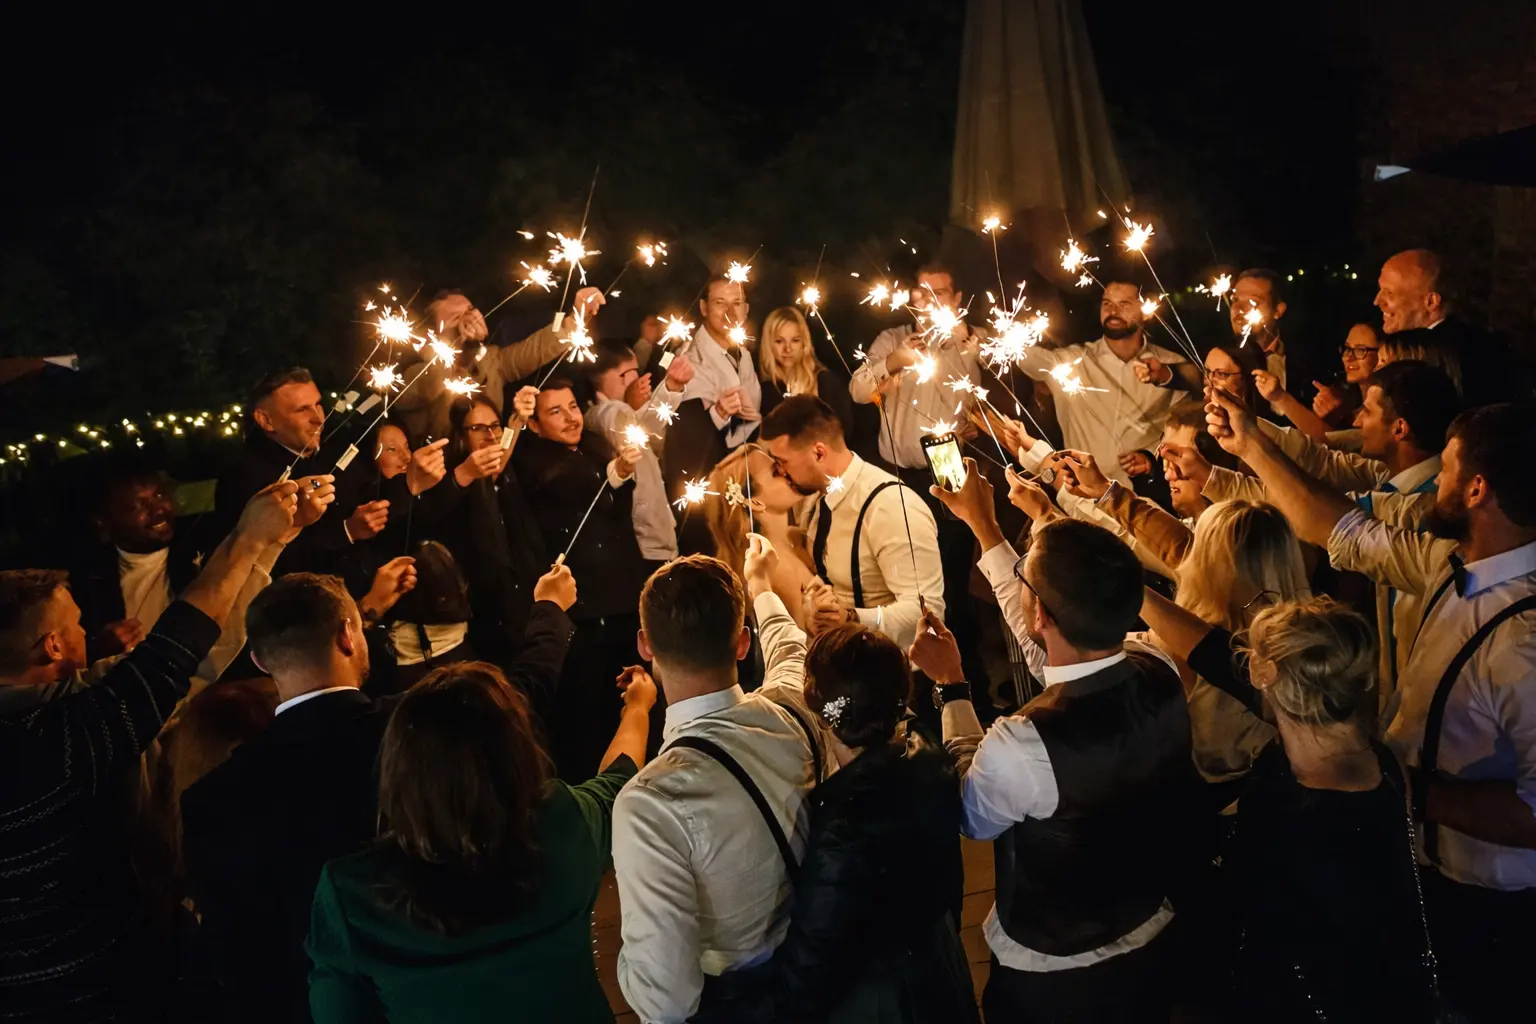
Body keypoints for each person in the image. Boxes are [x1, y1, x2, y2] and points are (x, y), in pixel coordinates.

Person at [1204, 394, 1536, 1023]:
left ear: (1477, 490)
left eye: (1448, 468)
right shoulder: (1451, 563)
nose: (1436, 479)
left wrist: (1404, 789)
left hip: (1491, 905)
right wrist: (1250, 445)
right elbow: (1342, 530)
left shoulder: (1525, 641)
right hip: (1423, 868)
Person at [180, 562, 579, 1023]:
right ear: (348, 636)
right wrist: (549, 611)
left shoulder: (210, 800)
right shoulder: (413, 732)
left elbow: (236, 963)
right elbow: (519, 697)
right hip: (436, 997)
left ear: (259, 660)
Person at [0, 481, 299, 1022]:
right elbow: (179, 648)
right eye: (77, 626)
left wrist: (268, 546)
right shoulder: (67, 733)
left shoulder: (66, 705)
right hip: (96, 989)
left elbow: (196, 654)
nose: (89, 632)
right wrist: (249, 539)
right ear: (53, 646)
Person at [911, 474, 1193, 1024]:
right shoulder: (1161, 665)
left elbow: (972, 814)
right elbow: (1061, 662)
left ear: (1040, 613)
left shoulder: (1022, 743)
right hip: (1155, 935)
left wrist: (952, 687)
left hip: (1057, 976)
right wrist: (985, 527)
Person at [306, 660, 656, 1024]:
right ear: (519, 752)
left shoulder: (352, 894)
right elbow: (620, 778)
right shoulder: (565, 821)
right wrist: (637, 707)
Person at [1139, 592, 1435, 1022]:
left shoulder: (1300, 816)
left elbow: (1239, 912)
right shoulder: (1381, 761)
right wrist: (1138, 592)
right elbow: (1216, 656)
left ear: (1265, 674)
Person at [702, 622, 979, 1024]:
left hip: (882, 1002)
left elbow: (807, 972)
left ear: (819, 710)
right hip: (943, 970)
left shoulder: (846, 824)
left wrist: (710, 1008)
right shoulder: (930, 758)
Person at [612, 547, 837, 1023]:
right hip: (828, 975)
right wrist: (760, 584)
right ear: (742, 643)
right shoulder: (793, 708)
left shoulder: (650, 804)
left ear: (645, 645)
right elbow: (789, 648)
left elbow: (666, 1001)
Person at [515, 378, 649, 778]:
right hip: (582, 607)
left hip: (622, 594)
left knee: (630, 694)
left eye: (573, 406)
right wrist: (615, 472)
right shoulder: (532, 460)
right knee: (588, 713)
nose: (571, 418)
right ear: (535, 424)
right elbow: (567, 485)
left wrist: (620, 476)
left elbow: (616, 510)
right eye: (555, 412)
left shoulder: (594, 443)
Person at [762, 396, 944, 651]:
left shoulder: (890, 506)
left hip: (892, 668)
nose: (780, 472)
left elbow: (927, 614)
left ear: (818, 453)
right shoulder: (815, 501)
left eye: (783, 462)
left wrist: (852, 618)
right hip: (840, 662)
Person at [1011, 279, 1200, 488]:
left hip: (1143, 496)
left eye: (1124, 304)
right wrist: (998, 335)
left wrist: (1150, 460)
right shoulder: (1074, 360)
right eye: (1107, 303)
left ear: (1146, 311)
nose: (1113, 311)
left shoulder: (1169, 364)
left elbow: (1181, 432)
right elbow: (1026, 357)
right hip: (1082, 494)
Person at [208, 367, 385, 577]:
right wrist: (346, 531)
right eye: (302, 410)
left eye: (318, 404)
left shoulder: (332, 449)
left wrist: (406, 484)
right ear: (266, 420)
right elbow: (261, 561)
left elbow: (367, 496)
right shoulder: (244, 476)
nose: (319, 418)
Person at [390, 285, 607, 440]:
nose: (469, 320)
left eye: (470, 311)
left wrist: (577, 317)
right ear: (432, 334)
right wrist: (460, 346)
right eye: (456, 319)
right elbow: (431, 384)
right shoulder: (414, 372)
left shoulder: (491, 359)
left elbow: (534, 350)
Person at [70, 463, 201, 660]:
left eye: (159, 495)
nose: (158, 510)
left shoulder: (201, 544)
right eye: (137, 506)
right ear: (102, 520)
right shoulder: (87, 582)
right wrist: (98, 647)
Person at [584, 341, 694, 570]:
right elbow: (632, 426)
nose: (638, 381)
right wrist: (669, 388)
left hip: (659, 536)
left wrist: (670, 389)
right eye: (632, 373)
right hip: (640, 543)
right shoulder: (600, 414)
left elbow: (650, 429)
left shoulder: (626, 410)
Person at [1374, 247, 1522, 406]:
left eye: (1389, 293)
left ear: (1431, 302)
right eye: (1380, 290)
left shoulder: (1465, 352)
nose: (1376, 301)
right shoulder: (1418, 346)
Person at [704, 444, 821, 630]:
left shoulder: (795, 538)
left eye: (781, 464)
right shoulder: (772, 568)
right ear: (754, 502)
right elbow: (798, 643)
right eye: (775, 472)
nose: (787, 471)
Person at [676, 276, 763, 451]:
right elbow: (694, 433)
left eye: (737, 303)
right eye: (720, 303)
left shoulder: (744, 355)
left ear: (746, 309)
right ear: (704, 308)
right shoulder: (688, 360)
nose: (730, 313)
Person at [757, 305, 852, 438]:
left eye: (795, 340)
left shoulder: (825, 382)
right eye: (779, 341)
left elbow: (843, 432)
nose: (788, 349)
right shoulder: (765, 390)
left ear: (804, 342)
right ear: (768, 344)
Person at [1285, 322, 1382, 437]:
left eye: (1360, 350)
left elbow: (1339, 444)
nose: (1348, 357)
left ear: (1384, 354)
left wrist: (1280, 397)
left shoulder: (1386, 408)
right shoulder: (1344, 396)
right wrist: (1328, 417)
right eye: (1347, 348)